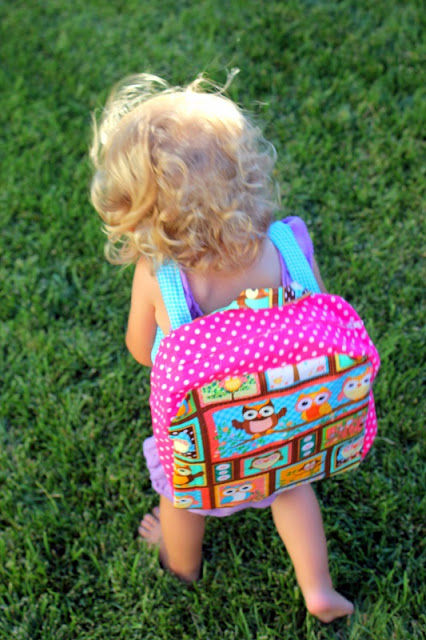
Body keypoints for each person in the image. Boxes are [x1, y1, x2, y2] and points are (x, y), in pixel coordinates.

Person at [90, 73, 354, 622]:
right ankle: (318, 588)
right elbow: (315, 314)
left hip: (205, 438)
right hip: (287, 423)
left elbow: (143, 350)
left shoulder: (162, 276)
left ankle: (180, 563)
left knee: (183, 498)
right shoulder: (288, 242)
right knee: (292, 491)